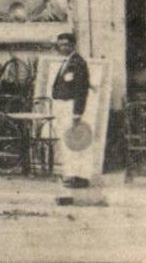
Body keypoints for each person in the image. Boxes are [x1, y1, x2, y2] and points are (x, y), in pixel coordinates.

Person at [50, 30, 91, 191]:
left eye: (66, 44)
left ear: (73, 45)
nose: (63, 48)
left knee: (74, 142)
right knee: (67, 142)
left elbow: (81, 89)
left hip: (71, 106)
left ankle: (79, 176)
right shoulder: (67, 62)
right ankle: (72, 174)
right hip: (63, 106)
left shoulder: (78, 63)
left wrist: (77, 113)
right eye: (60, 45)